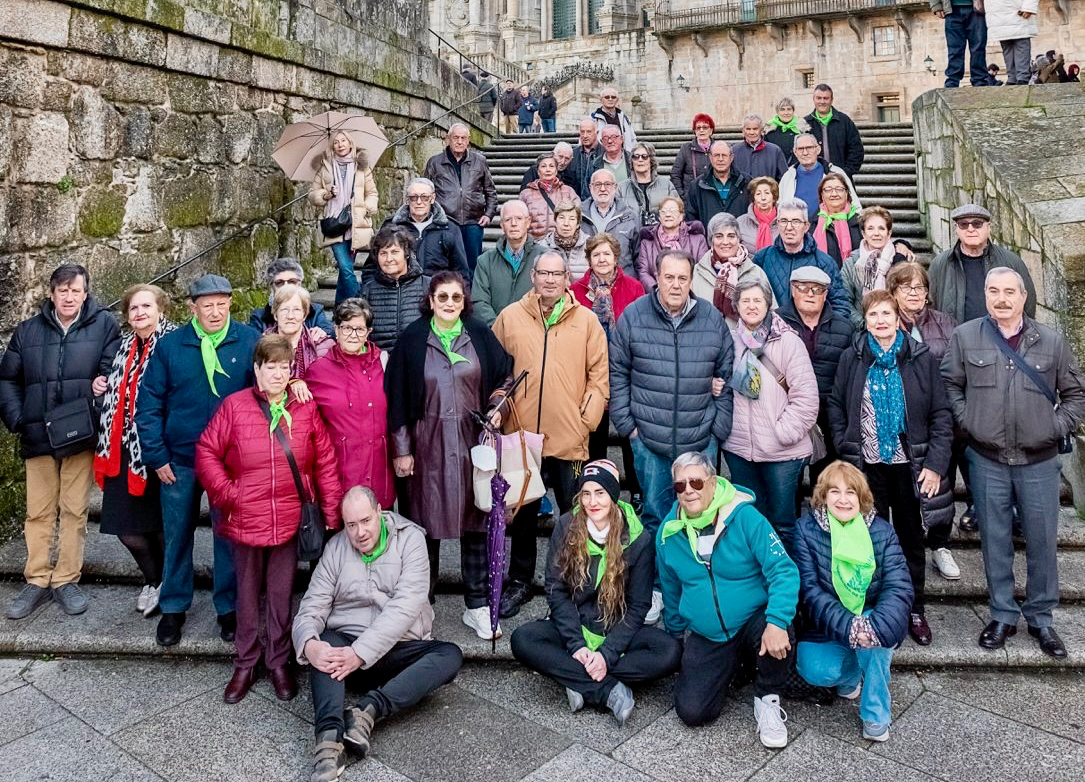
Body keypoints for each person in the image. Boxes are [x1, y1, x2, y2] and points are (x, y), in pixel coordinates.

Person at [943, 268, 1085, 658]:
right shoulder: (966, 336)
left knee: (1041, 541)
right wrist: (968, 420)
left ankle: (1041, 618)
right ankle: (1002, 614)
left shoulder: (1051, 341)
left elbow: (1075, 394)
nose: (1001, 298)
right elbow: (950, 384)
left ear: (1024, 296)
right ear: (985, 295)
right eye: (993, 291)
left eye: (1010, 291)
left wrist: (1052, 426)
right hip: (987, 459)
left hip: (1039, 461)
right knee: (995, 541)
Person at [196, 334, 343, 704]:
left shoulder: (305, 408)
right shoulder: (235, 406)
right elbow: (206, 452)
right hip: (246, 519)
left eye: (283, 366)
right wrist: (230, 494)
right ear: (257, 370)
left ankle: (278, 660)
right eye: (270, 366)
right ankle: (245, 662)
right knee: (246, 595)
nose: (277, 373)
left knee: (281, 595)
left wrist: (330, 512)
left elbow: (324, 461)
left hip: (290, 520)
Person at [293, 486, 463, 780]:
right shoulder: (335, 549)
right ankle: (329, 741)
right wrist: (309, 645)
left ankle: (367, 711)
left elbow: (406, 605)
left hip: (398, 649)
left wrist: (360, 654)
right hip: (344, 651)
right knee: (324, 644)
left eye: (366, 521)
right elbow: (311, 606)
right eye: (351, 525)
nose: (360, 532)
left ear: (380, 513)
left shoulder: (410, 540)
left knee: (449, 654)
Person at [136, 274, 261, 647]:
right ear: (193, 308)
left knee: (228, 536)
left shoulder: (248, 340)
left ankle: (228, 608)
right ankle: (174, 607)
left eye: (222, 303)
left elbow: (263, 394)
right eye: (207, 305)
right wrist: (157, 454)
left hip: (229, 463)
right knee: (176, 535)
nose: (216, 311)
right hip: (180, 460)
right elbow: (148, 404)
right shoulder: (172, 346)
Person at [610, 250, 734, 623]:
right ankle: (659, 590)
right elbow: (618, 372)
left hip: (700, 440)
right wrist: (627, 426)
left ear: (691, 280)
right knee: (656, 517)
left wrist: (718, 428)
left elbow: (726, 375)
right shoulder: (633, 316)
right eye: (669, 277)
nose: (676, 285)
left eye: (683, 278)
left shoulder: (712, 319)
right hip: (650, 440)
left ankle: (698, 588)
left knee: (701, 518)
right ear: (657, 279)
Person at [386, 272, 513, 635]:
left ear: (464, 301)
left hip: (474, 446)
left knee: (477, 522)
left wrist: (498, 406)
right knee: (423, 529)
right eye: (442, 297)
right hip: (427, 448)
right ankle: (421, 605)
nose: (449, 304)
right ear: (430, 299)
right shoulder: (412, 340)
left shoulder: (478, 334)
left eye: (456, 297)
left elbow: (505, 377)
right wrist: (402, 450)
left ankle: (476, 603)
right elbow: (396, 398)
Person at [511, 460, 681, 723]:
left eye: (600, 493)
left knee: (669, 651)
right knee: (522, 639)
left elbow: (638, 606)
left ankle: (575, 677)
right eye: (586, 493)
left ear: (613, 496)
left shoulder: (639, 539)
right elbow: (556, 590)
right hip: (575, 626)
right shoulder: (567, 526)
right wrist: (577, 644)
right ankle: (607, 690)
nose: (593, 502)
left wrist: (607, 653)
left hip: (615, 629)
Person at [828, 290, 953, 646]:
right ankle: (882, 607)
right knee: (872, 539)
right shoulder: (852, 357)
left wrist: (935, 465)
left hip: (909, 465)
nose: (880, 321)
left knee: (912, 539)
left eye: (886, 314)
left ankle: (914, 607)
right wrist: (845, 443)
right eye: (873, 315)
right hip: (868, 465)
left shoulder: (920, 358)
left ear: (898, 318)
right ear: (864, 320)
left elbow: (941, 413)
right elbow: (836, 404)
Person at [492, 251, 610, 619]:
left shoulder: (587, 321)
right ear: (533, 276)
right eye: (543, 273)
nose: (549, 280)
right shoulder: (510, 318)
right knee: (523, 513)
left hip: (570, 437)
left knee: (573, 511)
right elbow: (496, 372)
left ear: (566, 277)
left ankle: (574, 578)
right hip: (522, 434)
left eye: (557, 274)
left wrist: (584, 421)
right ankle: (521, 579)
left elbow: (599, 376)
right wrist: (501, 408)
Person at [0, 264, 120, 620]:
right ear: (51, 293)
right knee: (38, 512)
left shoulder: (105, 326)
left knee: (73, 510)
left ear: (86, 293)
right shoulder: (27, 331)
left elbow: (111, 372)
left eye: (76, 290)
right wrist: (19, 419)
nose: (69, 297)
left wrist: (97, 394)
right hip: (37, 434)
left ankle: (66, 578)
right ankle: (36, 579)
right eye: (62, 290)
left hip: (79, 435)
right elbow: (7, 379)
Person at [656, 452, 797, 744]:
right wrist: (674, 635)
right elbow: (670, 589)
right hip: (709, 633)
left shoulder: (745, 517)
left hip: (752, 620)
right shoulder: (668, 533)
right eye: (680, 486)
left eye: (695, 482)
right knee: (692, 712)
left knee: (777, 630)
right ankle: (737, 669)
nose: (689, 491)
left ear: (712, 481)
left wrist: (778, 621)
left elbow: (784, 571)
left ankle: (767, 697)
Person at [792, 461, 913, 743]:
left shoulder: (881, 531)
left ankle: (875, 713)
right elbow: (810, 590)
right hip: (826, 623)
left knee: (878, 644)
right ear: (823, 495)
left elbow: (899, 586)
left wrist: (872, 627)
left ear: (862, 497)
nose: (843, 500)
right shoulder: (806, 530)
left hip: (870, 613)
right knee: (817, 671)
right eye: (835, 491)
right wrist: (850, 626)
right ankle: (851, 676)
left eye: (851, 492)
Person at [93, 284, 176, 618]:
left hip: (156, 448)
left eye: (146, 306)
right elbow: (110, 387)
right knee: (128, 529)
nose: (140, 313)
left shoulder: (173, 344)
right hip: (121, 448)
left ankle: (168, 583)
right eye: (133, 309)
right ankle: (153, 579)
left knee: (157, 525)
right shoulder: (122, 346)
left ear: (160, 309)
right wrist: (98, 383)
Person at [724, 279, 819, 552]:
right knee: (751, 521)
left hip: (782, 453)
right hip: (741, 450)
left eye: (758, 301)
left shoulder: (788, 341)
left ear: (768, 305)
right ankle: (758, 584)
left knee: (782, 522)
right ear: (737, 306)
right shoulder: (731, 342)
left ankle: (786, 586)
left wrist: (782, 433)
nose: (752, 306)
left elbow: (806, 399)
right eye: (746, 301)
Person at [887, 262, 962, 577]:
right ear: (893, 293)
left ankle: (940, 545)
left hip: (941, 419)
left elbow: (958, 371)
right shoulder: (885, 323)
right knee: (905, 492)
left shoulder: (946, 324)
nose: (915, 293)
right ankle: (907, 547)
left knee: (941, 485)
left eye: (920, 287)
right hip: (901, 423)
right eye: (906, 287)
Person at [572, 234, 646, 511]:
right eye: (596, 255)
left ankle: (637, 492)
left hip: (627, 370)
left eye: (607, 254)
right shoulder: (576, 290)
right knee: (595, 435)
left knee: (630, 435)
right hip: (590, 372)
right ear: (589, 259)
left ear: (616, 257)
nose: (602, 260)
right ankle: (593, 492)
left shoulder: (634, 287)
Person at [307, 298, 394, 514]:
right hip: (340, 471)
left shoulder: (384, 363)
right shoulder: (318, 371)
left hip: (379, 470)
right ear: (336, 329)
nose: (353, 335)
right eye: (346, 328)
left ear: (368, 331)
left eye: (359, 329)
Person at [776, 267, 854, 495]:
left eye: (817, 289)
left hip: (828, 418)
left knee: (827, 483)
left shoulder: (844, 328)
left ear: (826, 294)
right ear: (793, 290)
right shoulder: (776, 322)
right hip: (788, 415)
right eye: (803, 288)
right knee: (789, 487)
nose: (810, 294)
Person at [928, 203, 1036, 325]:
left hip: (1002, 339)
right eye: (963, 224)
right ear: (956, 229)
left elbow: (1028, 304)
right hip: (955, 340)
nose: (970, 229)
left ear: (988, 227)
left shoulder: (1011, 262)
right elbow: (930, 306)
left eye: (977, 224)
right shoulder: (940, 264)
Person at [308, 131, 378, 304]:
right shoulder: (325, 168)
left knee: (343, 271)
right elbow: (312, 195)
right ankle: (360, 303)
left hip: (355, 225)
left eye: (343, 141)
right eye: (336, 142)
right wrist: (327, 194)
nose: (340, 144)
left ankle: (340, 308)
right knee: (346, 268)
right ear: (333, 146)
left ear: (350, 143)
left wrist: (366, 208)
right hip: (334, 224)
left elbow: (372, 193)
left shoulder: (362, 168)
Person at [754, 197, 850, 317]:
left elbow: (840, 305)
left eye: (796, 221)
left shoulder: (824, 262)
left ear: (806, 226)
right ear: (777, 224)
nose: (789, 227)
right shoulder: (762, 257)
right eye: (784, 221)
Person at [422, 124, 498, 273]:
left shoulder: (479, 161)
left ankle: (470, 295)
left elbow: (490, 191)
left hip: (473, 222)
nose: (459, 141)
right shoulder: (435, 162)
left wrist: (488, 214)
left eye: (463, 138)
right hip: (445, 221)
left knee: (471, 266)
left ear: (468, 141)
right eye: (455, 137)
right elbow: (425, 191)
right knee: (445, 264)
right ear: (448, 139)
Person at [471, 199, 545, 325]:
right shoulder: (485, 261)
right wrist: (500, 329)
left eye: (519, 218)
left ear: (528, 222)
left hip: (533, 336)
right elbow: (479, 302)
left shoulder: (544, 258)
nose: (514, 223)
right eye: (508, 220)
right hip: (494, 336)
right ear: (501, 226)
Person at [383, 177, 471, 280]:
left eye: (424, 197)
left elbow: (461, 273)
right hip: (399, 291)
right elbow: (372, 267)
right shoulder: (391, 227)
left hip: (436, 291)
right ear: (407, 200)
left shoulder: (450, 229)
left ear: (432, 198)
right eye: (413, 197)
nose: (419, 202)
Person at [359, 226, 430, 352]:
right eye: (383, 253)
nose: (389, 259)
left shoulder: (428, 286)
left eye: (395, 252)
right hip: (380, 365)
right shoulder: (367, 291)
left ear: (406, 254)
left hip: (421, 363)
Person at [841, 206, 913, 329]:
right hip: (861, 329)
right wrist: (863, 324)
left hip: (897, 328)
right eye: (870, 228)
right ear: (863, 233)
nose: (876, 234)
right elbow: (844, 299)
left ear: (889, 233)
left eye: (881, 228)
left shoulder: (900, 260)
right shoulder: (852, 263)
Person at [693, 212, 772, 324]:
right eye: (719, 236)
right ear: (711, 241)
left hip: (745, 340)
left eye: (731, 236)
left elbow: (770, 314)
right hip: (705, 339)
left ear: (738, 239)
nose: (725, 242)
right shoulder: (696, 273)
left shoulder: (756, 273)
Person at [264, 285, 335, 395]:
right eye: (284, 309)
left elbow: (327, 387)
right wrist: (292, 383)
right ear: (275, 315)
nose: (290, 316)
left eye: (296, 310)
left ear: (304, 315)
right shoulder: (262, 344)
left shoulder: (322, 345)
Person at [778, 134, 861, 220]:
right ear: (795, 152)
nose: (805, 153)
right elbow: (780, 208)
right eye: (800, 149)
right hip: (797, 229)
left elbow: (855, 206)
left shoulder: (836, 173)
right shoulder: (788, 177)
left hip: (830, 229)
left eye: (809, 148)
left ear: (818, 149)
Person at [248, 258, 335, 338]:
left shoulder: (315, 311)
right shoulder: (259, 317)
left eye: (292, 281)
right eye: (279, 283)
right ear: (271, 288)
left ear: (300, 284)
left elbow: (330, 332)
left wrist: (322, 332)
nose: (286, 286)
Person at [635, 196, 707, 292]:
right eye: (663, 211)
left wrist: (688, 288)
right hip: (657, 294)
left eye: (672, 211)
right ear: (659, 217)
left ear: (681, 216)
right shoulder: (647, 242)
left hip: (691, 292)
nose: (668, 215)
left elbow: (702, 269)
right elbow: (643, 272)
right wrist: (658, 290)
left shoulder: (698, 239)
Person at [580, 169, 641, 281]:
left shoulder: (630, 217)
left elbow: (639, 256)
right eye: (598, 184)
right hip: (588, 284)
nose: (602, 189)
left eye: (607, 184)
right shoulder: (579, 216)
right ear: (590, 188)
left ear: (615, 187)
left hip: (623, 283)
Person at [684, 141, 752, 228]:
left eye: (724, 155)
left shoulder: (746, 182)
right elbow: (691, 219)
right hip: (708, 239)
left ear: (731, 158)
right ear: (710, 157)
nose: (720, 159)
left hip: (741, 239)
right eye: (716, 155)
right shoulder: (697, 186)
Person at [803, 85, 865, 179]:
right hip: (812, 178)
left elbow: (856, 149)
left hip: (841, 178)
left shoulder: (844, 121)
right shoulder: (805, 123)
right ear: (814, 99)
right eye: (819, 98)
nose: (822, 101)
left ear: (831, 100)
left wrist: (845, 172)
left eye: (826, 98)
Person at [931, 0, 993, 88]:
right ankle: (953, 80)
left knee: (978, 47)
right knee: (954, 48)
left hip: (976, 8)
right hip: (952, 10)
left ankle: (979, 80)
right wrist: (936, 5)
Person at [520, 152, 579, 239]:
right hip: (535, 245)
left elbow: (578, 218)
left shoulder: (568, 191)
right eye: (543, 166)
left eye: (551, 166)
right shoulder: (526, 194)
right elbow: (520, 222)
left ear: (556, 170)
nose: (548, 170)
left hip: (561, 244)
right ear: (538, 171)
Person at [619, 141, 679, 227]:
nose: (640, 160)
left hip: (660, 236)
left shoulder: (666, 185)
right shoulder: (621, 188)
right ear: (631, 161)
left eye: (644, 157)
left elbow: (677, 211)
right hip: (632, 236)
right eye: (636, 157)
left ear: (651, 160)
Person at [810, 173, 862, 267]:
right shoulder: (811, 223)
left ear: (846, 193)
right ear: (821, 195)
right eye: (828, 190)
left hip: (852, 278)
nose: (834, 194)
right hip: (820, 278)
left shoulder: (860, 222)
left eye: (839, 189)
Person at [985, 1, 1038, 86]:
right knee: (1007, 48)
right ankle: (1012, 77)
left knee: (1021, 44)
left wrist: (1029, 7)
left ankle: (1022, 77)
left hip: (1017, 11)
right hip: (998, 14)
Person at [541, 200, 590, 280]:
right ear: (555, 221)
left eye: (572, 219)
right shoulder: (542, 246)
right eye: (561, 218)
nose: (566, 223)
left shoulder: (590, 246)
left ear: (578, 224)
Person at [670, 114, 715, 199]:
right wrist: (682, 194)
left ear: (711, 130)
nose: (701, 130)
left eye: (705, 127)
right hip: (692, 197)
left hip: (714, 196)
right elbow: (675, 174)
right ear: (694, 131)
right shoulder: (686, 149)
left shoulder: (718, 148)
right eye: (698, 128)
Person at [731, 114, 787, 181]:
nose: (751, 132)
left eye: (755, 129)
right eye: (748, 129)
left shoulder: (775, 151)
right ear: (743, 131)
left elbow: (784, 178)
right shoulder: (734, 151)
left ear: (761, 130)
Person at [736, 176, 779, 254]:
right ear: (753, 199)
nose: (763, 198)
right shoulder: (740, 222)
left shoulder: (784, 221)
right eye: (758, 194)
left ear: (774, 197)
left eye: (767, 193)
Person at [764, 97, 810, 166]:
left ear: (793, 111)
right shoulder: (769, 130)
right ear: (777, 112)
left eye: (789, 109)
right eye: (782, 110)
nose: (786, 113)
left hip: (798, 168)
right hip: (776, 170)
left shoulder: (802, 130)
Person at [567, 118, 604, 199]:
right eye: (582, 132)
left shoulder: (604, 153)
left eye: (589, 132)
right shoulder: (573, 154)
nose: (585, 135)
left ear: (596, 133)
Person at [591, 88, 637, 152]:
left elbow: (633, 139)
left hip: (623, 157)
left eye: (613, 97)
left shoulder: (624, 118)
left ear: (617, 100)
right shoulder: (593, 119)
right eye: (607, 97)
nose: (610, 99)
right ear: (601, 100)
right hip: (601, 157)